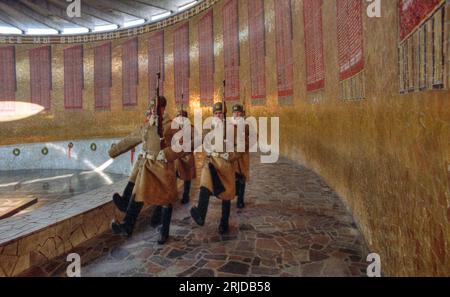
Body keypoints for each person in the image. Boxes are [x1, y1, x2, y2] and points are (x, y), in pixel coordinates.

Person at [108, 97, 185, 244]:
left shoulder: (172, 126)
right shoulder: (148, 125)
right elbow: (131, 139)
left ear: (163, 109)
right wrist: (113, 152)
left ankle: (164, 232)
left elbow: (182, 147)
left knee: (165, 201)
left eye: (155, 108)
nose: (152, 111)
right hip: (147, 168)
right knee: (137, 195)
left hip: (163, 168)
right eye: (150, 109)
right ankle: (127, 226)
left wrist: (167, 154)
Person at [190, 102, 243, 234]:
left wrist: (230, 155)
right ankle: (200, 214)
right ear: (213, 115)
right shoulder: (209, 128)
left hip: (226, 165)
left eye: (220, 113)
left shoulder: (232, 129)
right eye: (216, 113)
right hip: (212, 162)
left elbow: (241, 147)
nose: (218, 115)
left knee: (226, 195)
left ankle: (223, 224)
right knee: (205, 185)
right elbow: (202, 140)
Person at [174, 109, 197, 204]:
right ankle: (172, 193)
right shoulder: (174, 128)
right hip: (176, 156)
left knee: (187, 177)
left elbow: (197, 141)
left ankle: (185, 195)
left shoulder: (191, 128)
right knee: (173, 175)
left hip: (187, 155)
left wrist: (188, 145)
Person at [232, 104, 250, 209]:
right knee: (234, 177)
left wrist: (245, 145)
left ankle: (240, 200)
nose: (237, 114)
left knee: (242, 178)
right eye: (235, 112)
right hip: (233, 155)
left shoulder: (246, 125)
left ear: (242, 113)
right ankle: (234, 195)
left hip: (243, 156)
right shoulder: (230, 124)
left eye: (239, 112)